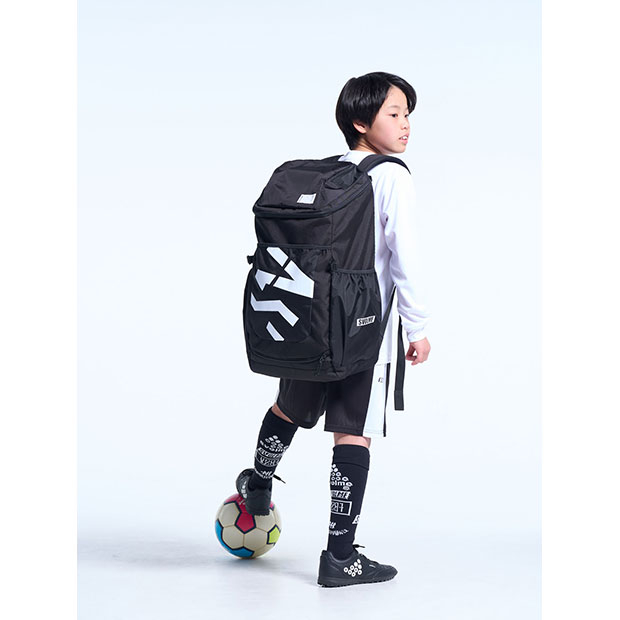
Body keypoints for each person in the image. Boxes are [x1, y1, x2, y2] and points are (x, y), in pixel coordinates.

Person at [236, 71, 431, 587]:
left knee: (288, 408)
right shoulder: (392, 177)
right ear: (360, 122)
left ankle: (258, 482)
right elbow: (406, 256)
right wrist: (418, 326)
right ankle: (340, 557)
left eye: (408, 114)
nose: (406, 125)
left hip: (312, 316)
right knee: (353, 431)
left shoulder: (331, 174)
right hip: (365, 328)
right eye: (394, 114)